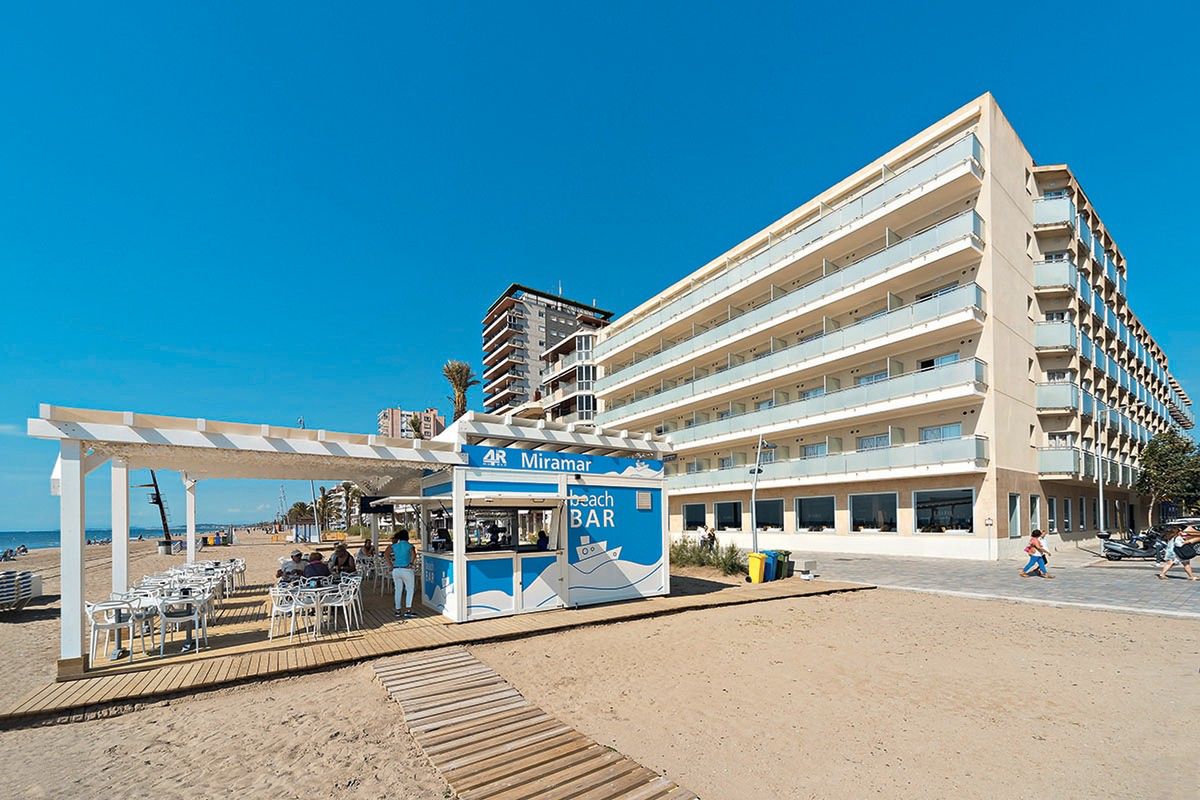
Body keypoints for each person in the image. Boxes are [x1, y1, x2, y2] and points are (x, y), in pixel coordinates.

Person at [389, 530, 416, 619]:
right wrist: (411, 563)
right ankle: (408, 610)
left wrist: (390, 565)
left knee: (398, 590)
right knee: (409, 589)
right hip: (406, 569)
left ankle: (397, 610)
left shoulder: (394, 546)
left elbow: (386, 554)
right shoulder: (409, 546)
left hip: (396, 569)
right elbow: (413, 555)